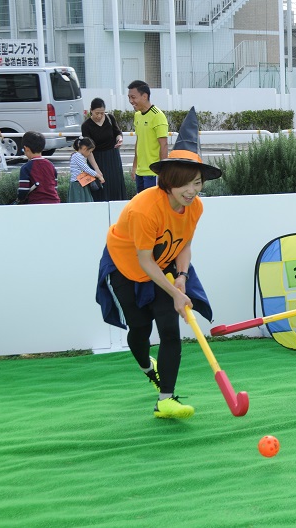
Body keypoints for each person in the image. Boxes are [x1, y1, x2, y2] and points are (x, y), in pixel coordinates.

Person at [95, 107, 219, 419]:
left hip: (162, 266)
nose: (192, 191)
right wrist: (177, 292)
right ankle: (145, 366)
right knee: (139, 328)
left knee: (169, 329)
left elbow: (185, 243)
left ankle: (166, 399)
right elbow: (144, 260)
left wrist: (181, 277)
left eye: (197, 183)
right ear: (168, 181)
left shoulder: (195, 207)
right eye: (185, 184)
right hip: (125, 268)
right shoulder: (144, 209)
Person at [81, 98, 126, 201]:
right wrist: (96, 169)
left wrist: (119, 139)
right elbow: (88, 149)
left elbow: (117, 132)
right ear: (91, 110)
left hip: (113, 157)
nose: (100, 116)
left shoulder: (110, 118)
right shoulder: (86, 126)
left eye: (102, 113)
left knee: (115, 185)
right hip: (96, 158)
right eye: (97, 113)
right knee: (100, 187)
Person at [127, 80, 168, 193]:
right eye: (129, 97)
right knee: (142, 207)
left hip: (153, 173)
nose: (131, 101)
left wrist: (162, 172)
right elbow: (139, 141)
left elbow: (163, 145)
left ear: (144, 96)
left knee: (152, 207)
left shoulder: (158, 116)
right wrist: (135, 166)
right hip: (140, 172)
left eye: (133, 97)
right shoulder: (137, 115)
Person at [17, 131, 60, 204]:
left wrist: (20, 198)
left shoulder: (26, 167)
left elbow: (23, 190)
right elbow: (55, 187)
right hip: (54, 202)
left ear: (26, 148)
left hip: (36, 203)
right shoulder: (50, 165)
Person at [68, 137, 105, 203]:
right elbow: (86, 169)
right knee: (81, 201)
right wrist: (99, 176)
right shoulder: (77, 156)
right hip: (78, 183)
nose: (90, 154)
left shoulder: (79, 156)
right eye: (90, 151)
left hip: (81, 182)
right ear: (84, 148)